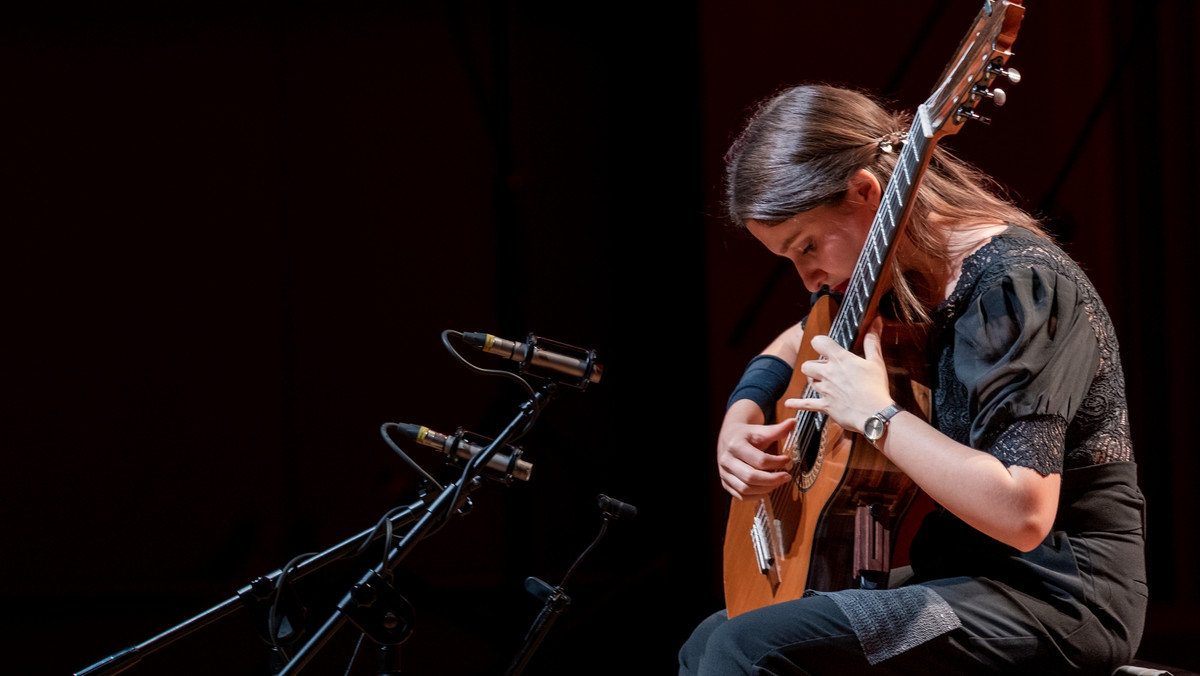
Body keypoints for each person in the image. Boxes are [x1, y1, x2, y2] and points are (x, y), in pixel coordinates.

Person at [678, 84, 1147, 675]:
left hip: (1053, 597)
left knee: (745, 648)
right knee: (709, 638)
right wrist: (743, 410)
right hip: (960, 579)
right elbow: (803, 335)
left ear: (866, 193)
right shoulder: (903, 279)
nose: (808, 279)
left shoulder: (1017, 285)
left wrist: (877, 415)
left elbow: (1023, 515)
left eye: (807, 247)